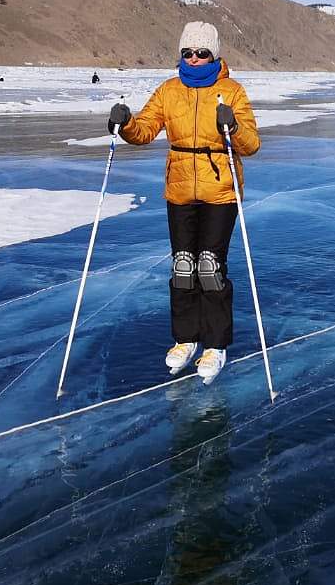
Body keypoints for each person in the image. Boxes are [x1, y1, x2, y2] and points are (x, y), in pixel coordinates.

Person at [107, 21, 260, 384]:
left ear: (215, 54)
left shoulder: (232, 92)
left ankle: (216, 344)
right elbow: (145, 130)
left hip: (220, 191)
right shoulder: (169, 91)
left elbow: (252, 144)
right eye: (187, 53)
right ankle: (186, 338)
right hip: (179, 191)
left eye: (201, 53)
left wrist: (233, 128)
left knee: (210, 267)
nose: (193, 59)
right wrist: (126, 123)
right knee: (183, 267)